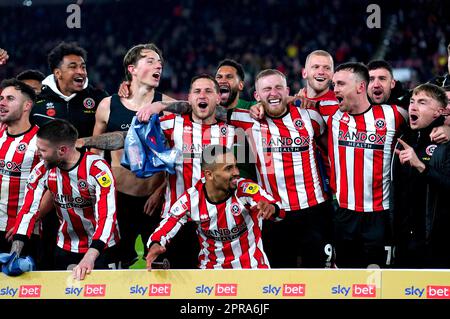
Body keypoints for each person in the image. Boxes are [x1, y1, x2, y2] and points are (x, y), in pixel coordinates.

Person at [231, 69, 334, 268]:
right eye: (267, 89)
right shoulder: (246, 119)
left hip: (315, 210)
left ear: (287, 91)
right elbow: (206, 109)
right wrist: (158, 104)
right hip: (274, 213)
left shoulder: (310, 115)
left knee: (320, 277)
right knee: (279, 278)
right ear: (257, 96)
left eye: (278, 88)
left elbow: (328, 148)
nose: (274, 93)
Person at [92, 43, 175, 268]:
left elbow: (178, 157)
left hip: (154, 200)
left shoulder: (167, 105)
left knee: (159, 266)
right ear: (132, 69)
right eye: (150, 60)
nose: (158, 65)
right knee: (116, 265)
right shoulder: (108, 105)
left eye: (160, 62)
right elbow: (95, 155)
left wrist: (161, 190)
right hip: (119, 199)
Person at [9, 119, 120, 280]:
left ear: (62, 150)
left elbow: (107, 216)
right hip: (66, 246)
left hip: (103, 247)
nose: (37, 154)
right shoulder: (41, 170)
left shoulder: (97, 169)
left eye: (42, 150)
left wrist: (91, 255)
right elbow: (28, 210)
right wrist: (15, 252)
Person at [146, 145, 282, 269]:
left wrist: (272, 208)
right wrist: (155, 243)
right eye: (229, 168)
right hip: (210, 275)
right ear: (209, 174)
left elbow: (278, 210)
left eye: (235, 166)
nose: (236, 172)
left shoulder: (245, 189)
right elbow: (170, 222)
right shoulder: (192, 198)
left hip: (253, 270)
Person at [329, 62, 408, 268]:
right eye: (334, 84)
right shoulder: (333, 115)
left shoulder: (393, 115)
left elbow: (428, 115)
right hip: (345, 212)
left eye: (340, 84)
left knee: (379, 277)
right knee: (346, 276)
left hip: (380, 214)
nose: (335, 89)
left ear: (360, 87)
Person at [391, 83, 450, 268]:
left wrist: (421, 166)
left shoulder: (445, 142)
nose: (413, 107)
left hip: (435, 240)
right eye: (412, 101)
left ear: (439, 112)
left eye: (422, 102)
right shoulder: (403, 138)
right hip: (403, 239)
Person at [30, 41, 108, 138]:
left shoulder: (99, 99)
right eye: (73, 67)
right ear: (58, 73)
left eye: (83, 67)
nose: (81, 72)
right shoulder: (36, 102)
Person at [0, 79, 40, 262]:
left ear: (27, 106)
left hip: (22, 230)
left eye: (9, 98)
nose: (2, 102)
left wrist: (26, 222)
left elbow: (49, 188)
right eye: (1, 98)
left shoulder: (40, 142)